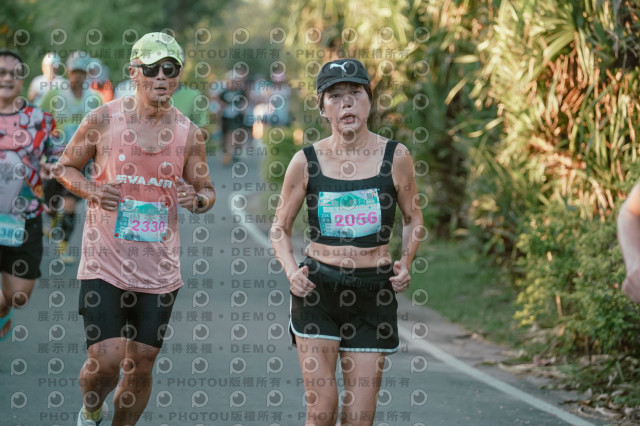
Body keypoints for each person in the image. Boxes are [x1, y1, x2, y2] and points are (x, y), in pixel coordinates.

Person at [53, 32, 215, 426]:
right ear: (133, 72)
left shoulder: (189, 133)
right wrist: (93, 191)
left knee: (140, 366)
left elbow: (207, 191)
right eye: (152, 68)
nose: (161, 76)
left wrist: (196, 199)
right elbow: (64, 168)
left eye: (170, 69)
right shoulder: (103, 119)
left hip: (159, 271)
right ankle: (91, 410)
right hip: (104, 262)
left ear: (178, 75)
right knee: (106, 361)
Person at [270, 58, 423, 426]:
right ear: (323, 107)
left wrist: (406, 262)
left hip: (373, 292)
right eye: (335, 96)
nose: (347, 103)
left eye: (355, 92)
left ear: (369, 100)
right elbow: (279, 228)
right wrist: (291, 272)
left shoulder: (396, 157)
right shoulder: (305, 161)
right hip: (317, 290)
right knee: (322, 410)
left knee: (359, 418)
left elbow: (413, 218)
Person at [0, 49, 60, 342]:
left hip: (24, 219)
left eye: (14, 73)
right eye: (1, 72)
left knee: (18, 296)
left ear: (23, 79)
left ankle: (4, 309)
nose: (7, 78)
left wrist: (53, 167)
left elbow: (61, 155)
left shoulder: (41, 119)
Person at [41, 51, 103, 263]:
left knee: (69, 204)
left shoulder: (95, 99)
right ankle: (52, 222)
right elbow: (39, 120)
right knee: (50, 203)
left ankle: (63, 246)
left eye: (82, 72)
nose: (78, 76)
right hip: (54, 158)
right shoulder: (54, 94)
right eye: (75, 71)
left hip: (80, 161)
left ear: (87, 74)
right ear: (68, 71)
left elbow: (101, 130)